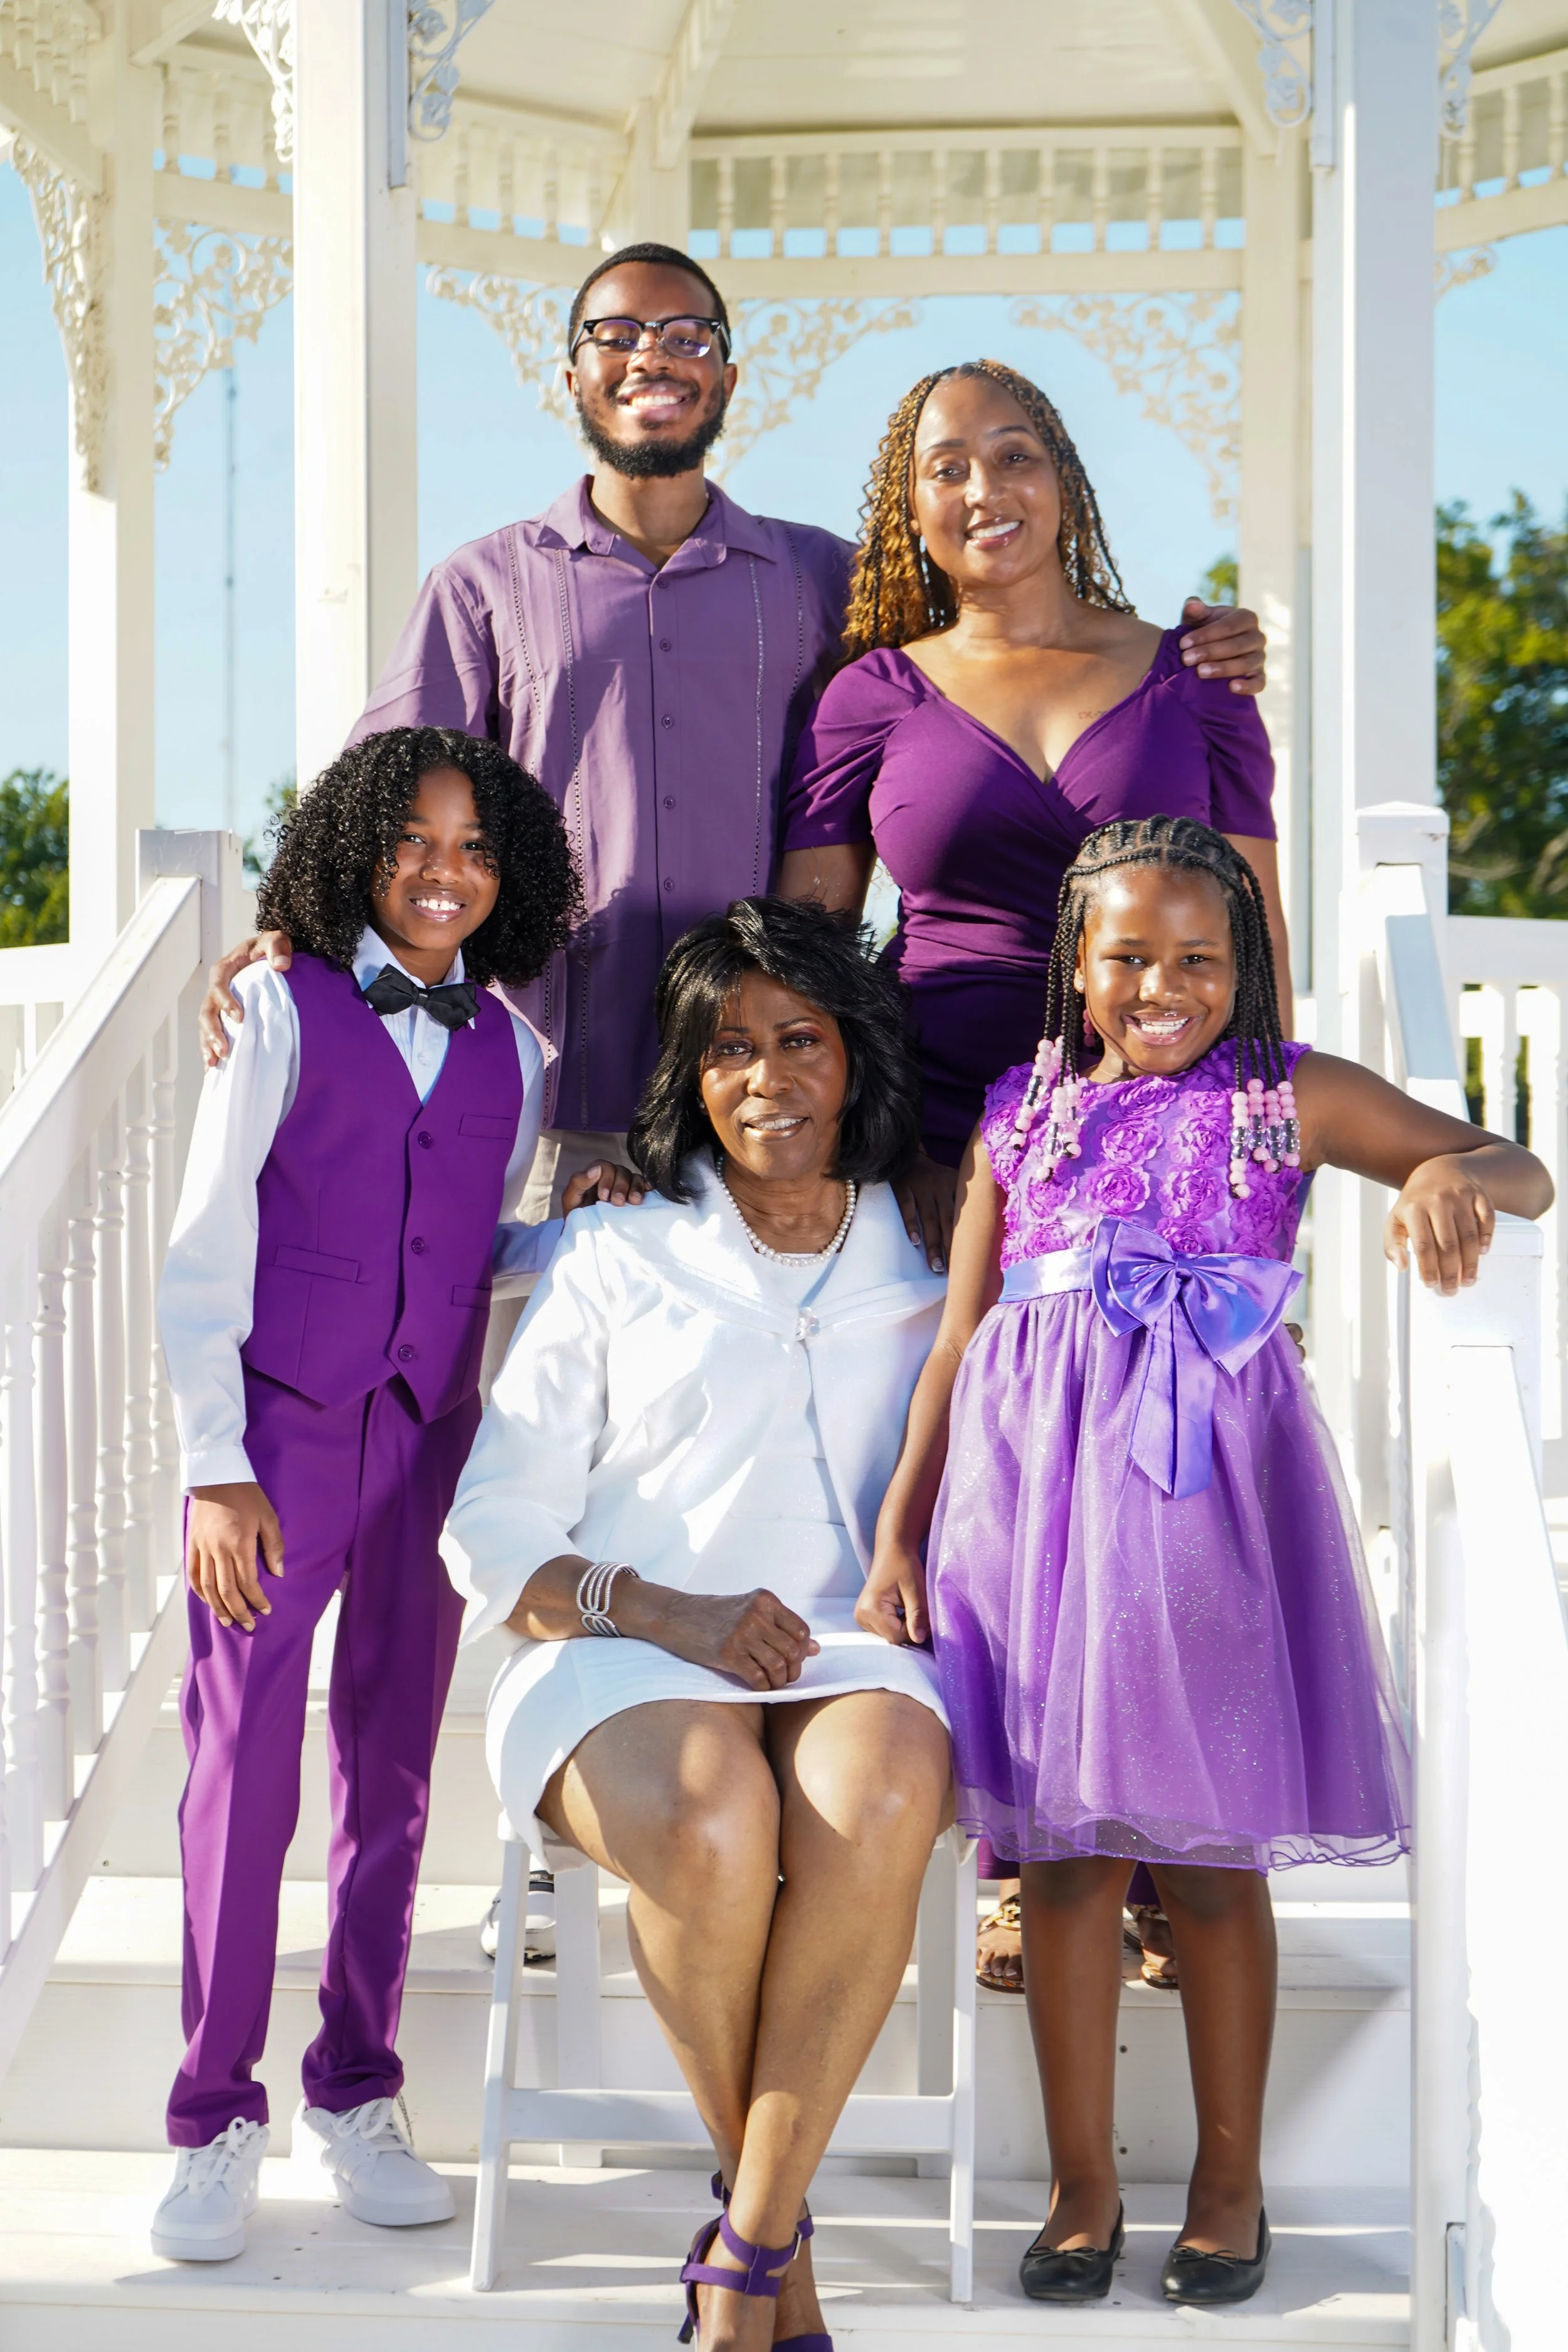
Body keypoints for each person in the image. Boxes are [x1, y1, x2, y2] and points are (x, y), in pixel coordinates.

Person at [198, 253, 1269, 1266]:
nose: (652, 355)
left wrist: (1203, 647)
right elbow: (383, 793)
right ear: (570, 372)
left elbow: (1004, 609)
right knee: (535, 1392)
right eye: (615, 333)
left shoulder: (824, 581)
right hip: (563, 1088)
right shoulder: (484, 585)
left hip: (770, 1105)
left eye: (686, 333)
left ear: (726, 372)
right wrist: (295, 924)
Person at [859, 815, 1551, 2307]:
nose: (1160, 985)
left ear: (1243, 965)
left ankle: (1227, 2182)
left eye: (1197, 959)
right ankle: (1079, 2183)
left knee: (1210, 1859)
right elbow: (956, 1340)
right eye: (1126, 957)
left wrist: (1448, 1177)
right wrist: (900, 1526)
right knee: (1062, 1863)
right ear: (1075, 961)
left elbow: (1524, 1168)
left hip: (1206, 1519)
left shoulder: (1278, 1097)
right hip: (1031, 1513)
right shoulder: (1019, 1109)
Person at [778, 354, 1287, 1985]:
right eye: (943, 465)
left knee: (1158, 1520)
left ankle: (1155, 1846)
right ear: (905, 505)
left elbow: (1261, 948)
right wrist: (875, 1152)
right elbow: (807, 945)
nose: (979, 485)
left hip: (1162, 1163)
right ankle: (1027, 1847)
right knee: (1006, 1516)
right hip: (949, 1145)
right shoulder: (869, 695)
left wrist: (1249, 1189)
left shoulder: (1196, 678)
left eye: (1012, 453)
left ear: (1063, 475)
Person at [151, 728, 637, 2264]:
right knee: (243, 1777)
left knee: (396, 1776)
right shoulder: (278, 1011)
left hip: (433, 1438)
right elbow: (203, 1240)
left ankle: (353, 2087)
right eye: (414, 843)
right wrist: (212, 1466)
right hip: (280, 1445)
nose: (445, 873)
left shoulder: (518, 1045)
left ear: (514, 876)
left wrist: (575, 1232)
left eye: (476, 848)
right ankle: (210, 2117)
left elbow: (480, 1249)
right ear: (361, 851)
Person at [443, 898, 954, 2352]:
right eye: (727, 1048)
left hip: (848, 1647)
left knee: (883, 1791)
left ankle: (742, 2254)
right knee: (709, 1811)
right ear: (690, 1073)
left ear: (852, 1057)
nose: (764, 1077)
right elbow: (495, 1530)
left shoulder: (925, 1260)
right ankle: (768, 2264)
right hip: (617, 1646)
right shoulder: (616, 1255)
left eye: (798, 1040)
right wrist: (667, 1612)